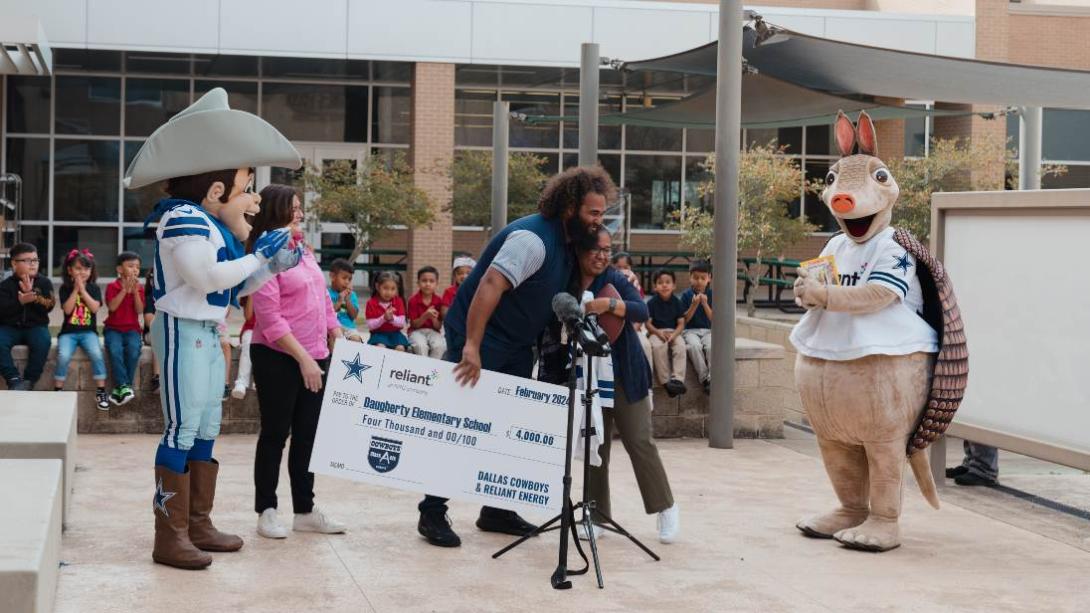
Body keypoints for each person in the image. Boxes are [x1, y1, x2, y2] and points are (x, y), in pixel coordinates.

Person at [125, 87, 303, 569]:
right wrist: (260, 255)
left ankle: (196, 524)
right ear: (216, 189)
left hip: (205, 332)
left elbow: (234, 285)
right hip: (183, 329)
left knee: (205, 425)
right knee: (182, 427)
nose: (252, 200)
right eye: (247, 188)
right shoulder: (184, 218)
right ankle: (170, 535)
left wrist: (273, 264)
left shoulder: (210, 225)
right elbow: (205, 279)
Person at [417, 165, 613, 548]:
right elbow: (489, 285)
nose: (597, 222)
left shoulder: (568, 242)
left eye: (601, 214)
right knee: (458, 424)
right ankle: (432, 511)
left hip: (517, 343)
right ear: (570, 207)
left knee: (508, 427)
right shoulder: (532, 240)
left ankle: (497, 509)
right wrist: (471, 347)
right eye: (593, 213)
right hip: (481, 337)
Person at [249, 184, 346, 540]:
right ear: (276, 211)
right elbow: (270, 319)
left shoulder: (301, 248)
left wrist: (337, 332)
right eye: (294, 208)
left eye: (300, 208)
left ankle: (304, 510)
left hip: (314, 355)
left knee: (308, 437)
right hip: (278, 357)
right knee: (276, 434)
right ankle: (267, 510)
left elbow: (320, 296)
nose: (300, 213)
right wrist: (303, 358)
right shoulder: (264, 253)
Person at [572, 228, 680, 543]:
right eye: (596, 249)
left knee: (639, 441)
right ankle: (597, 515)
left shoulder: (615, 279)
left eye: (607, 249)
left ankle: (666, 507)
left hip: (624, 372)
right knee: (596, 447)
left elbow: (641, 310)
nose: (602, 255)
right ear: (580, 250)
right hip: (588, 374)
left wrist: (606, 305)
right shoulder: (567, 279)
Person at [55, 249, 110, 409]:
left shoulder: (94, 288)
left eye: (86, 269)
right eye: (78, 268)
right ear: (69, 270)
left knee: (96, 354)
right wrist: (75, 290)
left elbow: (94, 308)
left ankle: (101, 390)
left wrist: (83, 290)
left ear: (91, 271)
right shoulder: (65, 288)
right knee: (63, 355)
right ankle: (57, 388)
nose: (82, 272)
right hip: (68, 333)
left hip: (88, 332)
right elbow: (67, 309)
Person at [0, 242, 54, 390]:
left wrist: (34, 297)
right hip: (9, 327)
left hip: (36, 327)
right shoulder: (5, 286)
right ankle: (13, 379)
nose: (33, 264)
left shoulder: (44, 283)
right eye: (27, 260)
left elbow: (49, 306)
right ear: (14, 263)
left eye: (35, 260)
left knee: (43, 341)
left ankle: (29, 381)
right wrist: (20, 301)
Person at [104, 251, 145, 405]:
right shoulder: (112, 286)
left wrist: (134, 292)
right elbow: (112, 307)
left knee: (134, 350)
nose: (135, 270)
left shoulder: (139, 288)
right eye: (130, 266)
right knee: (115, 350)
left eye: (137, 267)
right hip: (113, 328)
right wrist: (124, 290)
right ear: (120, 269)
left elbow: (140, 310)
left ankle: (120, 388)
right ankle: (124, 385)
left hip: (132, 329)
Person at [645, 269, 688, 397]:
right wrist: (658, 333)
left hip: (673, 332)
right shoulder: (651, 303)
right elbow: (647, 324)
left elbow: (681, 323)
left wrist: (674, 335)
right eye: (660, 282)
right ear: (655, 287)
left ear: (674, 285)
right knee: (658, 347)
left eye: (668, 282)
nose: (664, 285)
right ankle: (665, 382)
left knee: (680, 346)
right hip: (656, 332)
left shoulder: (677, 302)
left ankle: (677, 380)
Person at [611, 251, 652, 372]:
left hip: (633, 328)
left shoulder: (635, 286)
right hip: (615, 330)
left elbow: (642, 314)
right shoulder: (610, 284)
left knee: (645, 346)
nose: (623, 271)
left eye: (626, 267)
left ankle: (647, 385)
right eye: (618, 267)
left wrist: (634, 328)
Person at [680, 260, 713, 394]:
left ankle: (712, 379)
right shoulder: (686, 295)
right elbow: (684, 319)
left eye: (703, 278)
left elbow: (713, 319)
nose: (699, 281)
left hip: (708, 331)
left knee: (711, 347)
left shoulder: (712, 295)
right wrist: (694, 305)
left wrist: (704, 304)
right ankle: (705, 378)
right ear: (690, 278)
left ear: (709, 278)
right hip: (690, 331)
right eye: (695, 278)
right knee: (694, 346)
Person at [365, 271, 411, 351]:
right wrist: (384, 318)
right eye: (385, 288)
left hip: (395, 334)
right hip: (378, 334)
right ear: (377, 287)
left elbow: (401, 323)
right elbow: (370, 325)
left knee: (400, 348)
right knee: (380, 347)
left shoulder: (399, 301)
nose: (389, 292)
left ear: (397, 289)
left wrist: (391, 318)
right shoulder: (371, 303)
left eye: (393, 289)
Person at [408, 265, 446, 358]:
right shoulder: (413, 300)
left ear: (436, 283)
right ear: (418, 283)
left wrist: (433, 318)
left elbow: (438, 326)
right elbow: (414, 325)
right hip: (416, 331)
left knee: (440, 346)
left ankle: (432, 371)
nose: (428, 284)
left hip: (434, 331)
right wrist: (425, 316)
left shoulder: (439, 301)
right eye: (424, 281)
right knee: (421, 346)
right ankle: (422, 370)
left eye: (431, 281)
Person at [328, 258, 362, 341]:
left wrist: (347, 300)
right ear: (332, 277)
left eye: (349, 279)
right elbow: (326, 314)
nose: (347, 282)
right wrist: (339, 301)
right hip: (332, 327)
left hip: (349, 328)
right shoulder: (326, 293)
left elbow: (354, 316)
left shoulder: (352, 295)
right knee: (334, 337)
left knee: (356, 339)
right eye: (344, 278)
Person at [230, 296, 255, 399]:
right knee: (249, 342)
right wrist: (252, 293)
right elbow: (248, 317)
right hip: (251, 329)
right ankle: (241, 383)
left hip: (273, 330)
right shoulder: (251, 290)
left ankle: (260, 379)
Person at [440, 255, 475, 319]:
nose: (464, 276)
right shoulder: (449, 291)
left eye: (468, 273)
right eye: (460, 273)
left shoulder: (476, 291)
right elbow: (444, 313)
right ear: (454, 276)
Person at [142, 265, 159, 393]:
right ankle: (157, 377)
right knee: (159, 340)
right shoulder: (150, 298)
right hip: (152, 333)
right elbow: (149, 322)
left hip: (170, 332)